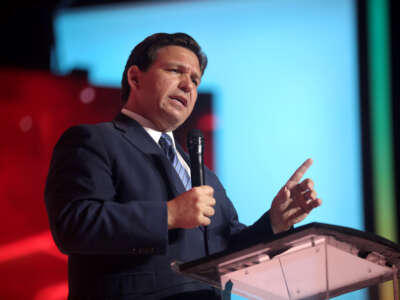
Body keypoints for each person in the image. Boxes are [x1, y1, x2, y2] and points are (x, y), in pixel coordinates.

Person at [45, 33, 321, 300]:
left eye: (195, 80)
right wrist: (168, 215)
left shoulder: (203, 174)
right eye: (176, 71)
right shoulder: (96, 141)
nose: (188, 86)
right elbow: (74, 224)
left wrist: (274, 223)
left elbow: (226, 248)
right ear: (135, 77)